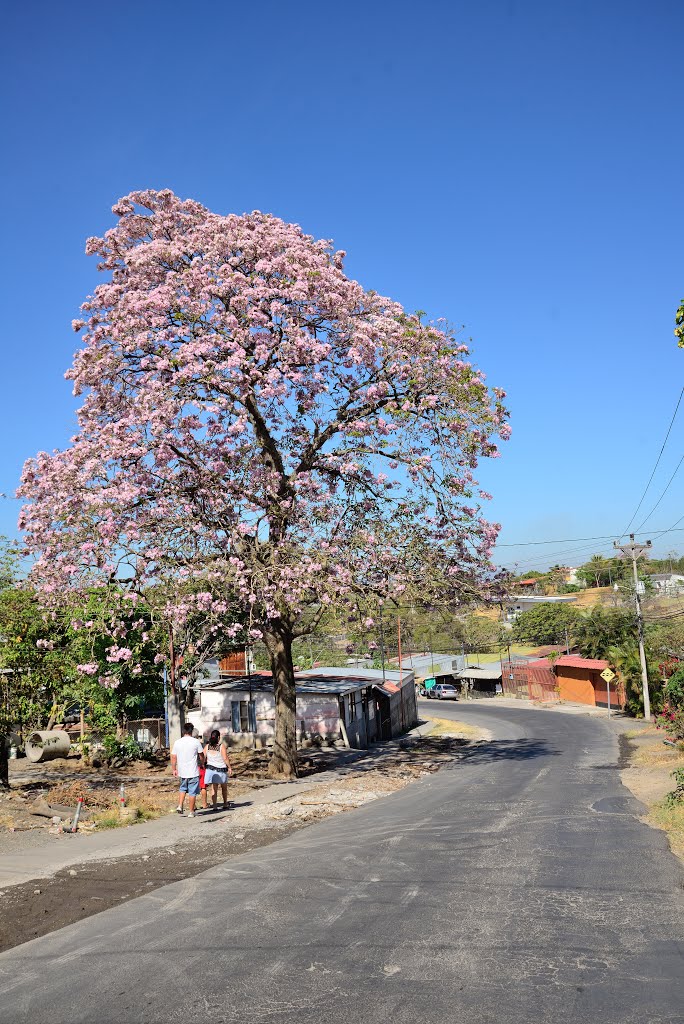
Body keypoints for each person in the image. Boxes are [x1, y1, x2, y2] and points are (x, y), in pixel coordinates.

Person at [171, 722, 205, 817]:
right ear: (192, 731)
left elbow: (173, 757)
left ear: (183, 731)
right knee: (192, 792)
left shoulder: (177, 742)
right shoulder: (196, 742)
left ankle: (180, 805)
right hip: (193, 771)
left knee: (182, 788)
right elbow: (201, 755)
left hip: (182, 771)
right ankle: (191, 811)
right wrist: (203, 762)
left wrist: (174, 769)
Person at [203, 729, 231, 811]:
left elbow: (203, 757)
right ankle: (225, 803)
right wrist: (229, 767)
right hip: (221, 769)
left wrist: (204, 764)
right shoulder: (221, 747)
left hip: (211, 769)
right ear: (219, 737)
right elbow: (225, 758)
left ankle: (215, 805)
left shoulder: (207, 746)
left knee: (213, 788)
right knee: (224, 787)